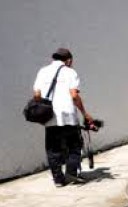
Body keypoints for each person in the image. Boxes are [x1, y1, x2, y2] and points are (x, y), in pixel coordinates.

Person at [33, 48, 94, 186]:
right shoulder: (70, 72)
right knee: (74, 145)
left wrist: (41, 110)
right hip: (68, 116)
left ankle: (58, 180)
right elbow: (74, 95)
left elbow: (37, 95)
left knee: (53, 148)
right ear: (69, 60)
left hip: (50, 117)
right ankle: (72, 173)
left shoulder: (42, 71)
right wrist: (85, 113)